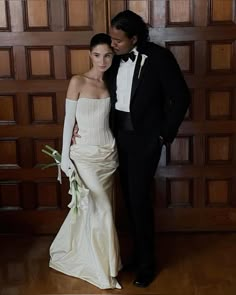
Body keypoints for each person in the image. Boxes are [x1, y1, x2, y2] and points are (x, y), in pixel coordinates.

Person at [106, 10, 191, 287]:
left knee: (139, 198)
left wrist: (163, 135)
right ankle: (137, 254)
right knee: (129, 200)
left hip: (146, 140)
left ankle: (147, 264)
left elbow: (180, 97)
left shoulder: (158, 58)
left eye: (118, 40)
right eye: (111, 38)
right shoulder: (113, 60)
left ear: (134, 38)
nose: (113, 44)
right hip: (118, 137)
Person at [49, 33, 122, 289]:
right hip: (84, 155)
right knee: (102, 208)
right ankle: (104, 269)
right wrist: (64, 157)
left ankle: (103, 260)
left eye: (108, 55)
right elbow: (69, 121)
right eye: (97, 55)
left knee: (98, 209)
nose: (103, 61)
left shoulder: (112, 83)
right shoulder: (78, 81)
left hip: (108, 154)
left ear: (113, 56)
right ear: (90, 55)